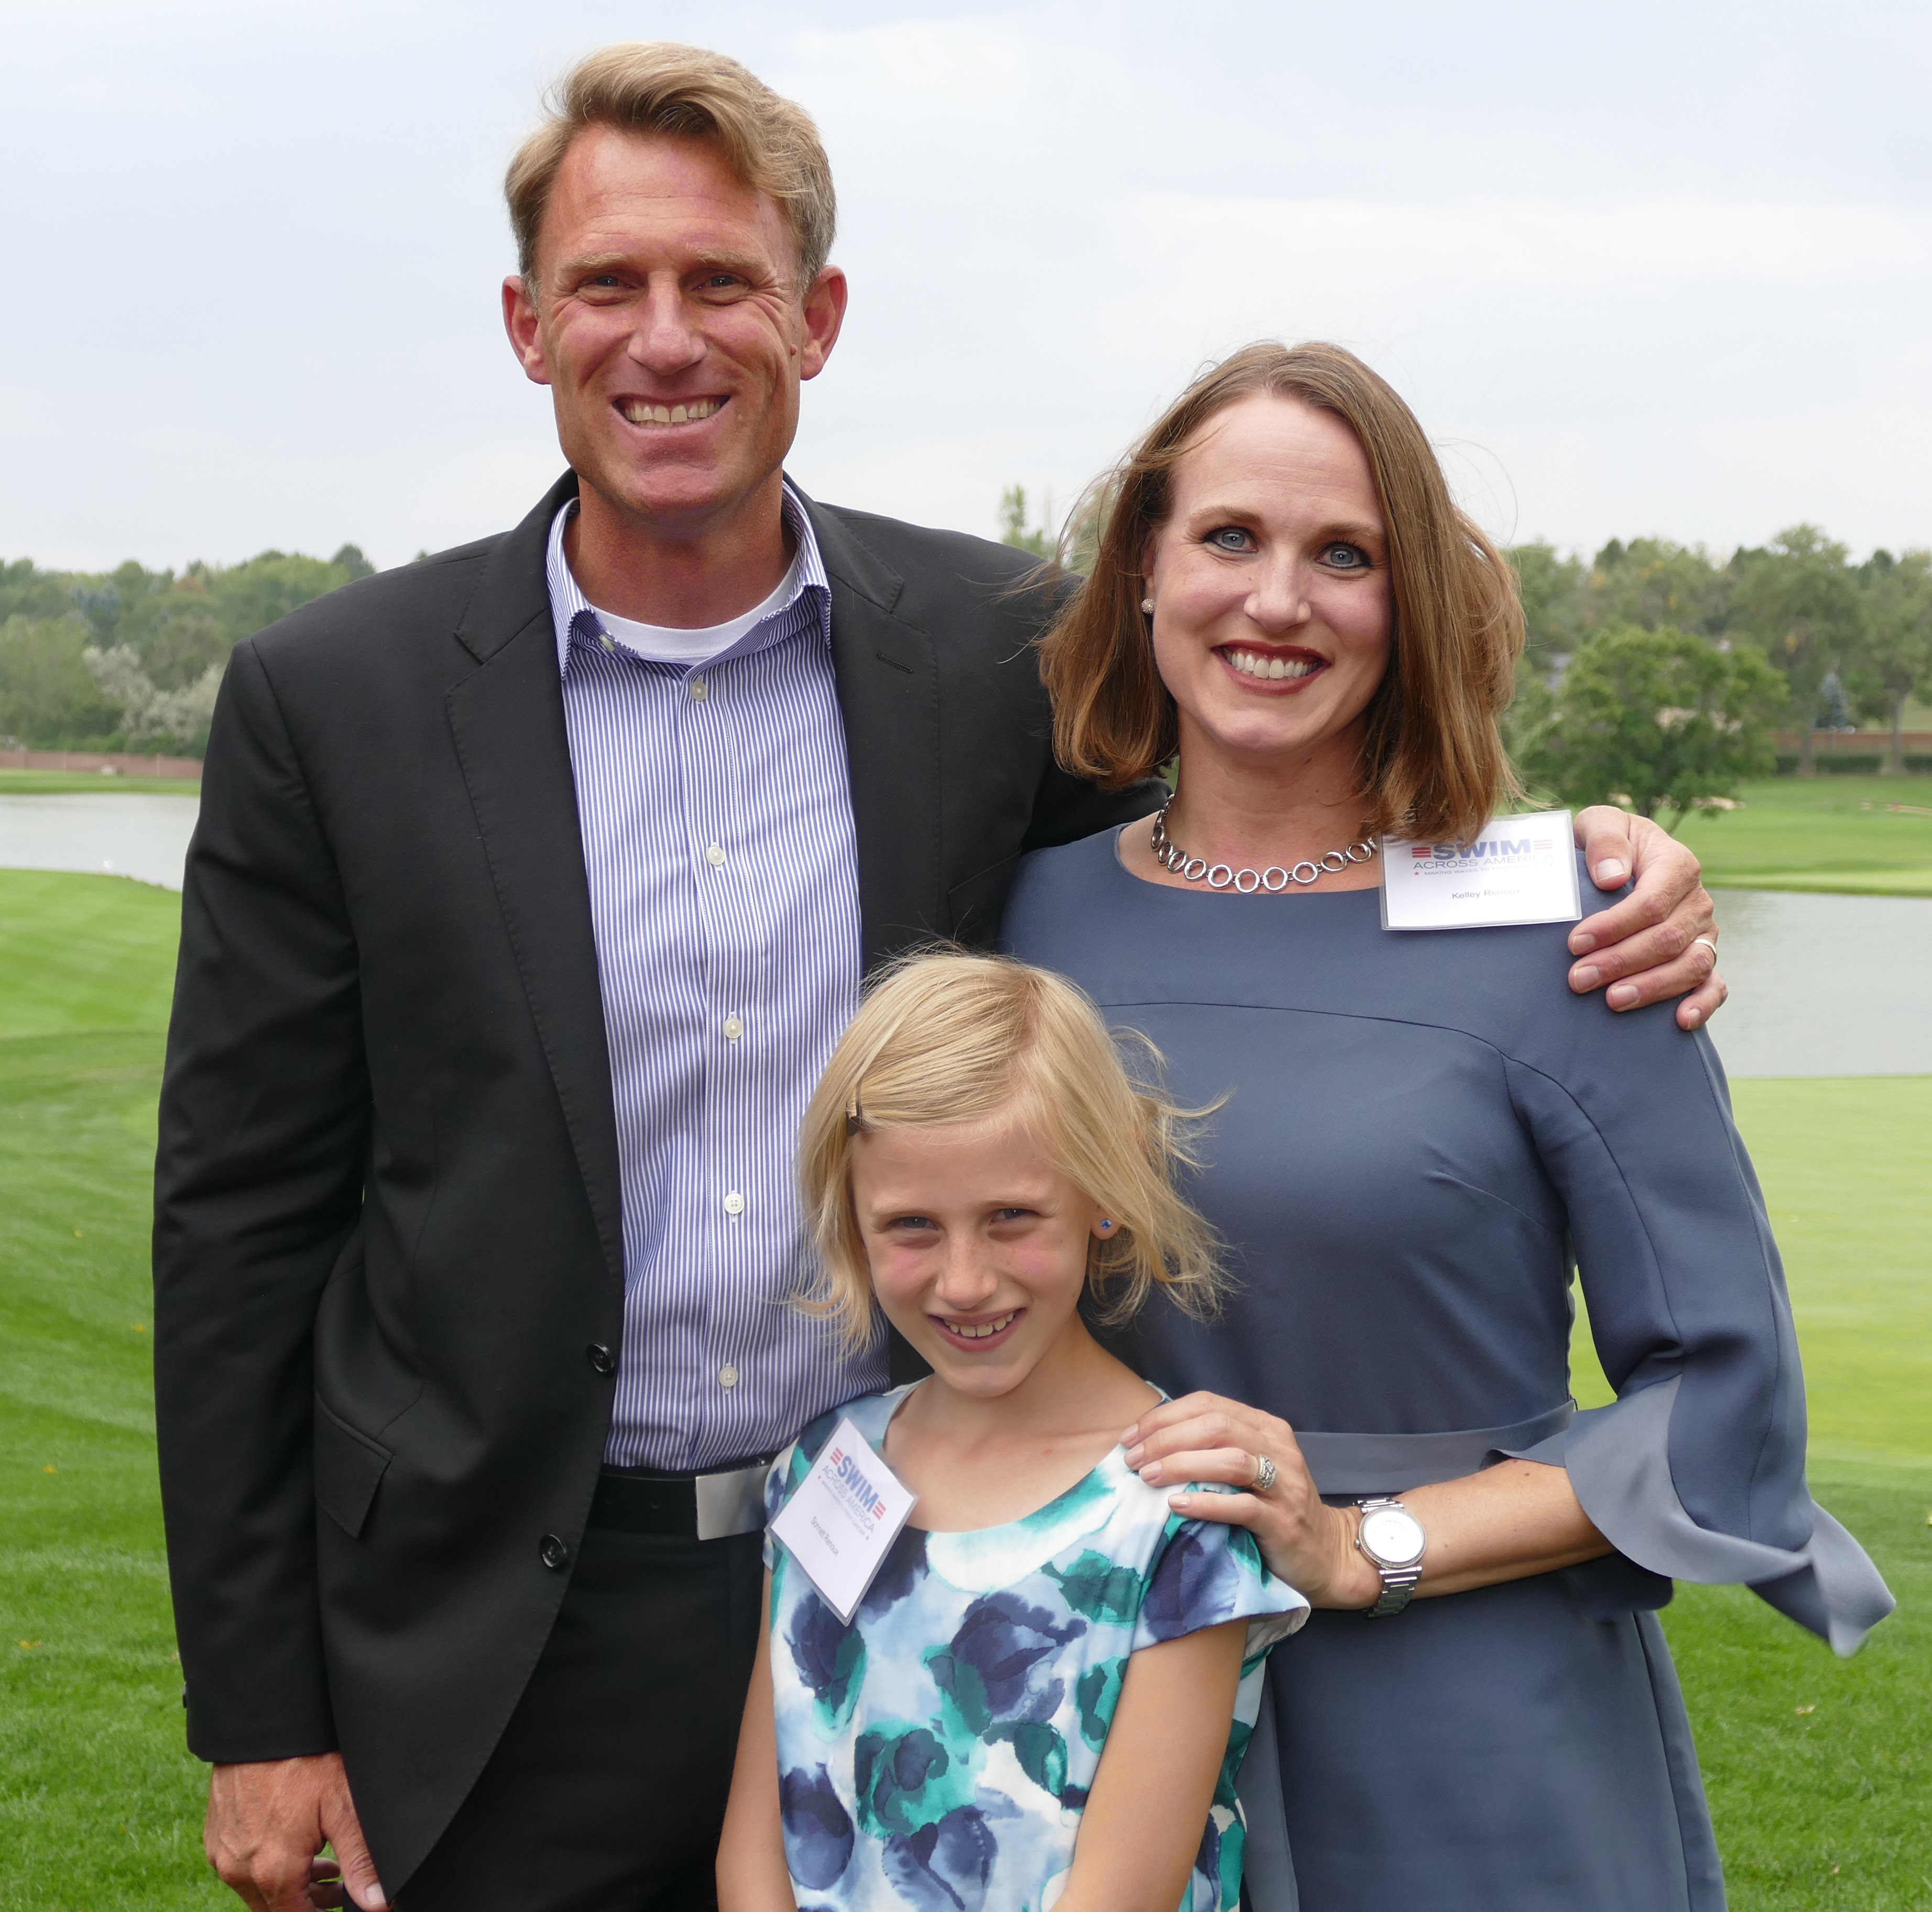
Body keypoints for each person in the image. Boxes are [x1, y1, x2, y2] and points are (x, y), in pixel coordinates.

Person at [150, 41, 1722, 1912]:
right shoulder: (335, 702)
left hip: (926, 1595)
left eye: (722, 283)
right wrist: (260, 1710)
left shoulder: (991, 656)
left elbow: (1261, 813)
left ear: (812, 317)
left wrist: (1571, 857)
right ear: (525, 323)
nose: (665, 339)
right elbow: (242, 1226)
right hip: (502, 1635)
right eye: (609, 286)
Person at [1001, 340, 1895, 1912]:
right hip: (1097, 1719)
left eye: (1343, 555)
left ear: (1410, 601)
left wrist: (1367, 1549)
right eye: (1229, 539)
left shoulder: (1573, 928)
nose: (1278, 602)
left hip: (1468, 1730)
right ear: (1144, 567)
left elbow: (1724, 1408)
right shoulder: (1024, 917)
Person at [717, 952, 1305, 1912]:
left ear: (1103, 1191)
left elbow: (1126, 1894)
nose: (963, 1282)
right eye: (911, 1225)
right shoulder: (826, 1468)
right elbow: (756, 1844)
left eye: (1010, 1218)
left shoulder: (1181, 1505)